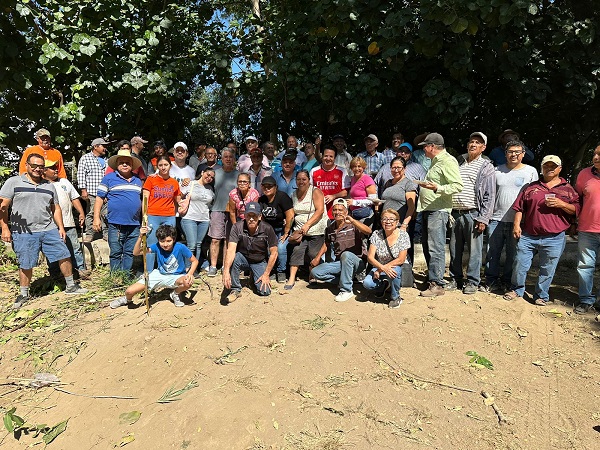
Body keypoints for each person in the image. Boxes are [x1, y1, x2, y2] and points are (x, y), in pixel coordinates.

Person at [1, 154, 88, 309]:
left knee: (64, 254)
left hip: (49, 228)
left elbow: (55, 208)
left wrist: (61, 227)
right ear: (27, 165)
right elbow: (3, 206)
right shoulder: (13, 182)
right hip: (24, 231)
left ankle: (71, 286)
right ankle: (24, 294)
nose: (37, 169)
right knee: (26, 262)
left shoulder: (49, 185)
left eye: (41, 166)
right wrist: (5, 228)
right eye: (34, 165)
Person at [504, 155, 579, 305]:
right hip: (528, 235)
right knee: (519, 263)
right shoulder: (531, 187)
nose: (549, 168)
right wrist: (516, 225)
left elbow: (576, 209)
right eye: (546, 166)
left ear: (560, 169)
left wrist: (561, 204)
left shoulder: (568, 189)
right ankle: (517, 289)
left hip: (555, 237)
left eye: (553, 166)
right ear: (542, 168)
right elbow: (519, 208)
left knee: (547, 268)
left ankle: (541, 295)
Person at [484, 140, 538, 292]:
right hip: (496, 219)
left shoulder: (531, 171)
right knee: (492, 252)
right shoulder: (496, 171)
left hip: (518, 221)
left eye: (517, 152)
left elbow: (533, 197)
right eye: (510, 152)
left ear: (523, 154)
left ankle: (507, 281)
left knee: (513, 254)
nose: (513, 155)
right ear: (505, 154)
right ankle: (491, 280)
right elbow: (489, 195)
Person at [447, 132, 496, 294]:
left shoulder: (486, 166)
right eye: (471, 141)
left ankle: (473, 282)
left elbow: (490, 195)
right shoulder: (459, 162)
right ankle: (455, 279)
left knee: (475, 251)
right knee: (455, 248)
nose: (473, 144)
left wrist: (483, 218)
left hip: (473, 214)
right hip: (455, 213)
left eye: (478, 142)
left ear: (483, 147)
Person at [416, 133, 463, 297]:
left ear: (432, 147)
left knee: (436, 247)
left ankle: (437, 284)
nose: (423, 149)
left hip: (438, 211)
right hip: (429, 209)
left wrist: (438, 188)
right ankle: (433, 279)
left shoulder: (447, 161)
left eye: (425, 146)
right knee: (428, 246)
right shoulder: (435, 162)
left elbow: (457, 185)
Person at [110, 224, 198, 308]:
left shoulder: (180, 247)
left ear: (174, 239)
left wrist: (190, 273)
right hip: (159, 274)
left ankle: (175, 293)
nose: (165, 244)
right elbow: (136, 252)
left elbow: (194, 261)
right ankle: (127, 299)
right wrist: (140, 236)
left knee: (187, 282)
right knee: (129, 291)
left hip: (177, 276)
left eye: (168, 241)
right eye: (162, 241)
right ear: (158, 240)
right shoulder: (156, 247)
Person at [310, 198, 372, 302]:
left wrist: (353, 221)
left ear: (346, 212)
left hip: (358, 261)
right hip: (340, 263)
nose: (337, 212)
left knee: (346, 255)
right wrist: (317, 258)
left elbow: (368, 231)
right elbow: (327, 244)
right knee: (316, 272)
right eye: (335, 210)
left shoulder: (353, 224)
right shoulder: (330, 228)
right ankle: (346, 279)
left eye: (340, 210)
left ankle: (346, 290)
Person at [94, 149, 143, 273]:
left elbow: (143, 200)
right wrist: (96, 218)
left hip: (134, 224)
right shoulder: (108, 179)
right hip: (116, 224)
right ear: (117, 164)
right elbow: (99, 198)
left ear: (132, 165)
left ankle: (125, 276)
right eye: (122, 162)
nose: (125, 164)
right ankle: (115, 278)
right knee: (116, 252)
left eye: (127, 162)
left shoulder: (138, 180)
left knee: (130, 252)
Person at [222, 202, 278, 303]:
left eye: (254, 216)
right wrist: (225, 271)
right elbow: (230, 250)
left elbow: (274, 253)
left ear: (260, 216)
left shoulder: (267, 228)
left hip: (259, 260)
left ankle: (253, 277)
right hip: (243, 257)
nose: (251, 219)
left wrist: (266, 274)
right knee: (234, 258)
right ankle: (235, 289)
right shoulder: (237, 227)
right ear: (244, 216)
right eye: (249, 215)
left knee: (265, 292)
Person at [43, 160, 88, 279]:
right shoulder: (42, 185)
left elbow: (74, 198)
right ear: (44, 171)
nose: (56, 170)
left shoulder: (64, 182)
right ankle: (55, 274)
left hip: (68, 222)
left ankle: (80, 270)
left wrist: (81, 213)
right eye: (52, 168)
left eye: (56, 167)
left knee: (75, 247)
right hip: (51, 225)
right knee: (52, 250)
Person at [286, 170, 329, 289]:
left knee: (313, 253)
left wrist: (307, 225)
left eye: (304, 179)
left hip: (316, 229)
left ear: (309, 180)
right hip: (300, 231)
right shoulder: (294, 194)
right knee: (297, 251)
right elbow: (292, 213)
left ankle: (312, 275)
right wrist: (288, 226)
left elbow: (320, 210)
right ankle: (291, 278)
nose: (301, 182)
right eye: (299, 179)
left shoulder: (315, 191)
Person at [362, 209, 411, 308]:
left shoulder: (403, 235)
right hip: (380, 265)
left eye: (391, 219)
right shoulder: (376, 234)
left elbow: (401, 259)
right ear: (381, 221)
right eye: (385, 219)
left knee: (393, 272)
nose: (388, 222)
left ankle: (395, 297)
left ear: (397, 222)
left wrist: (381, 269)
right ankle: (383, 286)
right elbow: (370, 257)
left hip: (397, 266)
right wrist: (381, 268)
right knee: (367, 283)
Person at [142, 155, 182, 272]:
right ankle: (148, 272)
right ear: (157, 166)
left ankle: (167, 269)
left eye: (166, 165)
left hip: (169, 216)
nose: (163, 167)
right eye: (160, 165)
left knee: (168, 244)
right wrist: (144, 216)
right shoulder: (151, 179)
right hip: (153, 215)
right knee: (151, 243)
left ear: (170, 166)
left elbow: (178, 200)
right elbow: (145, 198)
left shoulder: (174, 182)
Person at [575, 144, 600, 314]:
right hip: (587, 229)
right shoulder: (584, 174)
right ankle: (585, 299)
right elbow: (577, 200)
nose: (596, 157)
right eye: (595, 154)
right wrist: (573, 222)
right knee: (585, 265)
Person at [207, 148, 239, 277]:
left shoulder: (239, 175)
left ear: (234, 159)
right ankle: (213, 266)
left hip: (232, 211)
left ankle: (226, 265)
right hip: (217, 209)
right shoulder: (215, 173)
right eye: (225, 156)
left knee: (228, 239)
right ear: (221, 159)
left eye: (231, 157)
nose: (228, 159)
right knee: (215, 239)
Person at [380, 156, 417, 263]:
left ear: (404, 169)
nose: (396, 170)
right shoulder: (388, 183)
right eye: (393, 167)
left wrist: (404, 225)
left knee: (403, 255)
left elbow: (411, 207)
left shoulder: (408, 184)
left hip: (400, 225)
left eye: (399, 167)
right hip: (386, 224)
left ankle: (407, 276)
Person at [258, 176, 294, 283]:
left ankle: (281, 271)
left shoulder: (282, 197)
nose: (267, 188)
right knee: (270, 249)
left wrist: (287, 232)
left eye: (270, 186)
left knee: (281, 248)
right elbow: (261, 217)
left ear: (276, 187)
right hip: (270, 230)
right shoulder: (262, 199)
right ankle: (272, 270)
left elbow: (290, 215)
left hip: (283, 228)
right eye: (265, 186)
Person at [178, 168, 215, 273]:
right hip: (189, 217)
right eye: (208, 175)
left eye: (212, 177)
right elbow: (178, 195)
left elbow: (210, 204)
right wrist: (179, 206)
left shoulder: (210, 189)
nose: (209, 178)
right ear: (202, 173)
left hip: (204, 219)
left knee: (198, 244)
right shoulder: (191, 184)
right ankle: (186, 269)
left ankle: (194, 270)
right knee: (192, 244)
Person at [78, 137, 110, 243]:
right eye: (103, 146)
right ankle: (89, 234)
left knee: (105, 213)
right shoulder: (85, 158)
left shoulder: (107, 160)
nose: (105, 148)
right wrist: (83, 189)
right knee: (91, 212)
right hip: (92, 192)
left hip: (105, 193)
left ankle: (106, 233)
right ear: (95, 147)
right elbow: (81, 174)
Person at [310, 145, 350, 219]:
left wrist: (334, 196)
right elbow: (309, 191)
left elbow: (346, 192)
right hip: (318, 213)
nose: (328, 158)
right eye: (326, 156)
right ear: (322, 156)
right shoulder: (313, 171)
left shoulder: (342, 171)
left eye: (331, 156)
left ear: (335, 158)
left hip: (336, 213)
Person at [347, 156, 377, 222]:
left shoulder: (367, 179)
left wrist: (355, 202)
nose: (357, 169)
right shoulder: (353, 179)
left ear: (363, 167)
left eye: (359, 166)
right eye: (354, 166)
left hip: (364, 214)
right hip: (354, 214)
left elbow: (373, 200)